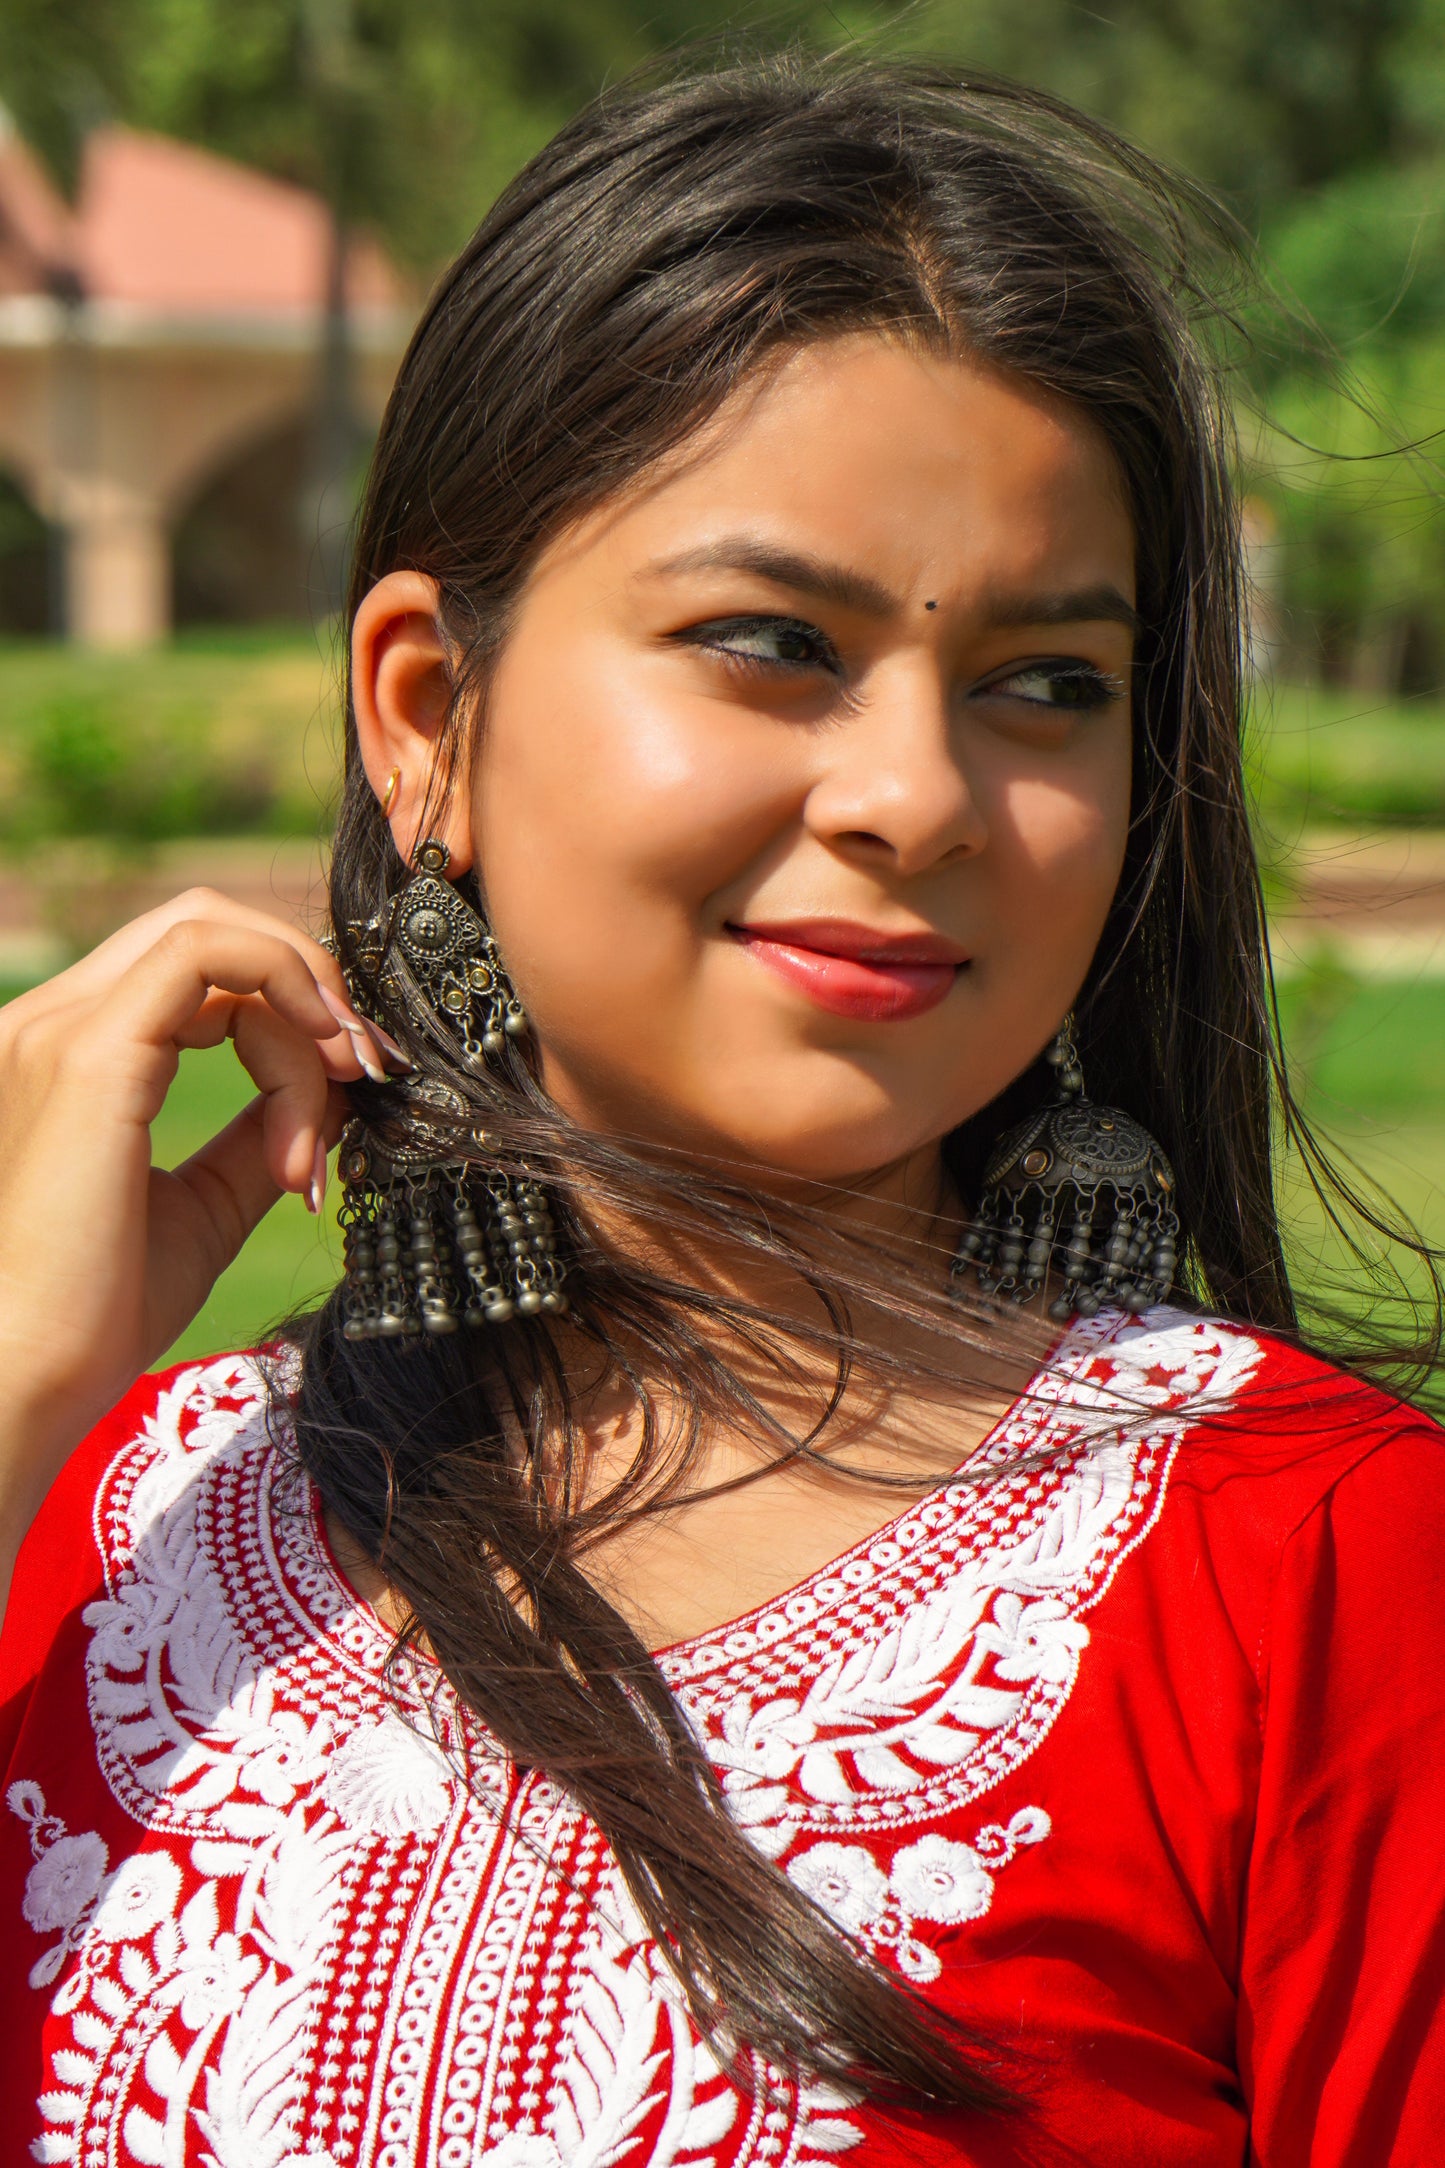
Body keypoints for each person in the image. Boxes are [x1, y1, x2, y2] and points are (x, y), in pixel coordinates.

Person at [0, 51, 1441, 2168]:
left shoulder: (1321, 1558)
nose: (921, 798)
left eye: (1050, 685)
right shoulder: (107, 1526)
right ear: (428, 714)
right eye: (773, 642)